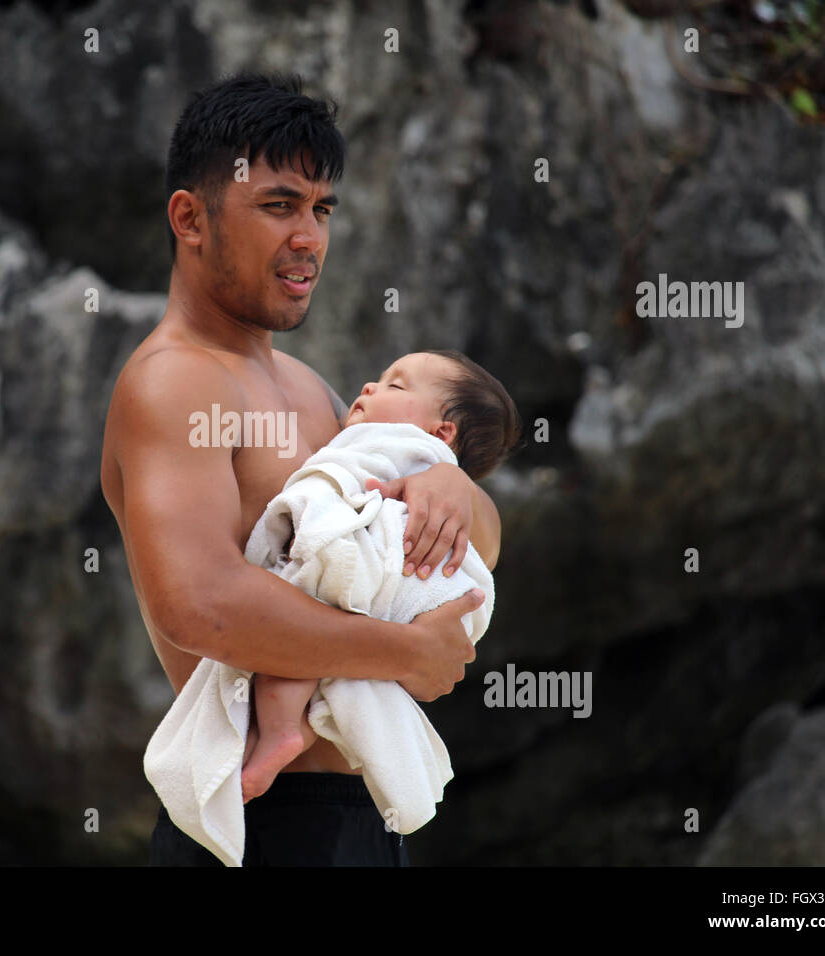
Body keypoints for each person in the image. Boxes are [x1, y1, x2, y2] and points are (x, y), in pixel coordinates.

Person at [99, 72, 502, 866]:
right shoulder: (174, 381)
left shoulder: (311, 389)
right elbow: (200, 604)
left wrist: (454, 486)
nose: (309, 237)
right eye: (278, 205)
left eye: (321, 209)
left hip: (357, 817)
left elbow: (457, 539)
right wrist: (405, 654)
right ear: (191, 217)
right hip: (261, 823)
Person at [240, 349, 521, 803]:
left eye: (395, 385)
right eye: (378, 377)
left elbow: (478, 538)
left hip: (390, 571)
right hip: (408, 590)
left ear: (442, 432)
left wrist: (454, 482)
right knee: (304, 627)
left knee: (297, 618)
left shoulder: (398, 447)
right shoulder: (373, 439)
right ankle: (290, 730)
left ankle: (280, 732)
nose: (370, 386)